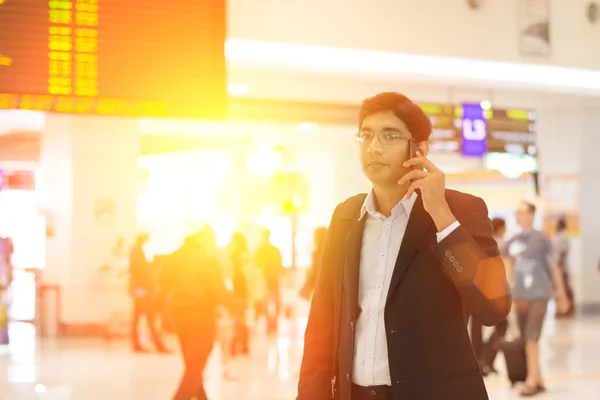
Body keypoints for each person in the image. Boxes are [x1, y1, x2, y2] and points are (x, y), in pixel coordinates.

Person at [297, 92, 511, 400]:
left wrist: (441, 215)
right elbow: (322, 324)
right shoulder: (346, 216)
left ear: (420, 150)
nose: (374, 147)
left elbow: (493, 307)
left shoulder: (461, 210)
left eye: (390, 136)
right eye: (366, 135)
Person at [164, 225, 241, 400]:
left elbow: (162, 284)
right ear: (205, 240)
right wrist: (238, 305)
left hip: (178, 316)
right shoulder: (205, 260)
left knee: (193, 365)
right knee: (195, 367)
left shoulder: (174, 257)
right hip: (200, 317)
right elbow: (217, 290)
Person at [505, 202, 570, 397]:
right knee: (526, 339)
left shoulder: (543, 239)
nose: (519, 216)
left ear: (532, 215)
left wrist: (561, 294)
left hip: (539, 295)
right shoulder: (512, 241)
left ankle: (531, 380)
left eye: (522, 212)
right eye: (516, 212)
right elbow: (508, 269)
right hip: (519, 296)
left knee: (532, 338)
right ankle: (538, 377)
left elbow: (554, 267)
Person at [470, 217, 510, 376]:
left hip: (476, 292)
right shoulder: (499, 244)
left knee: (476, 329)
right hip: (494, 293)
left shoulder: (477, 244)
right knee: (502, 325)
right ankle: (486, 359)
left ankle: (481, 362)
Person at [128, 234, 168, 353]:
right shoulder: (137, 251)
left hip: (140, 290)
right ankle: (157, 345)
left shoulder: (137, 251)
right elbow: (140, 271)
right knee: (149, 318)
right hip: (142, 290)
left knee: (140, 318)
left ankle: (144, 344)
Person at [254, 229, 284, 334]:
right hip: (272, 278)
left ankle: (270, 325)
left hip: (266, 279)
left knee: (268, 302)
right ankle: (273, 324)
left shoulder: (260, 250)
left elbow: (256, 264)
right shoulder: (274, 250)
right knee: (274, 302)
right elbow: (280, 265)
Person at [227, 232, 251, 355]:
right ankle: (243, 345)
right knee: (241, 318)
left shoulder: (235, 255)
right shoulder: (245, 255)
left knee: (238, 318)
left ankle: (235, 345)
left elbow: (231, 273)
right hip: (242, 289)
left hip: (238, 289)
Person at [300, 227, 328, 300]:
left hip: (321, 288)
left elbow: (316, 272)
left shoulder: (319, 253)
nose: (314, 239)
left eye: (315, 236)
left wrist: (305, 287)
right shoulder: (333, 252)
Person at [554, 218, 574, 317]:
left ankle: (566, 310)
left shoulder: (562, 236)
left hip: (561, 268)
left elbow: (561, 253)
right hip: (559, 267)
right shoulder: (559, 236)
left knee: (564, 289)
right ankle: (562, 309)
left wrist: (558, 267)